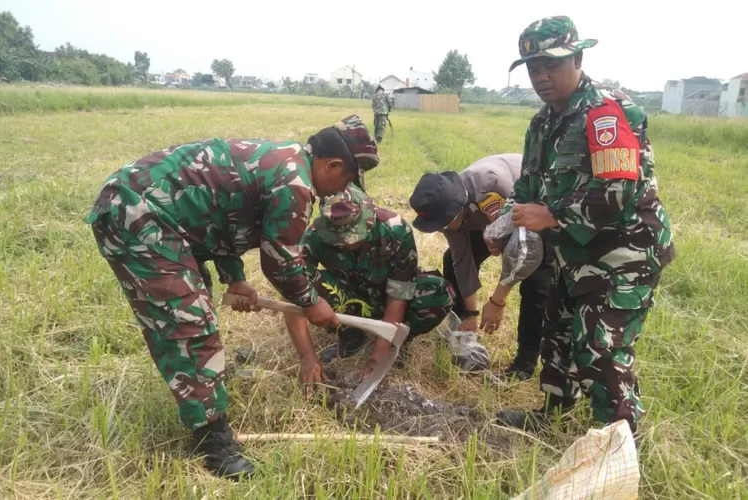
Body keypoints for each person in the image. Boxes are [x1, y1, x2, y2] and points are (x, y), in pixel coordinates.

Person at [85, 115, 379, 480]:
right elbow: (281, 264)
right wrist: (311, 302)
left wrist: (235, 278)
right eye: (346, 179)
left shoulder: (286, 160)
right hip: (137, 211)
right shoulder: (296, 183)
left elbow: (222, 213)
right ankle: (213, 442)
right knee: (188, 323)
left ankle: (203, 390)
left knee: (195, 304)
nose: (340, 189)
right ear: (333, 165)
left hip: (158, 212)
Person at [493, 16, 675, 435]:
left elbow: (617, 191)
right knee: (556, 334)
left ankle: (618, 446)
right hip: (574, 251)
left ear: (577, 58)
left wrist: (552, 215)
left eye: (551, 66)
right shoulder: (542, 123)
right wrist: (507, 219)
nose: (542, 77)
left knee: (601, 349)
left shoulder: (606, 112)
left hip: (624, 251)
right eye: (534, 69)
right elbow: (528, 184)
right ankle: (552, 416)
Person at [284, 184, 454, 386]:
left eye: (353, 235)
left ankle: (398, 340)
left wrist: (379, 354)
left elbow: (399, 294)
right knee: (306, 285)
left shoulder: (396, 229)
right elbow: (293, 297)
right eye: (339, 238)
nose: (347, 243)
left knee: (439, 292)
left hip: (389, 299)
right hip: (352, 301)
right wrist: (307, 357)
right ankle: (350, 336)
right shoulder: (313, 238)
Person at [408, 154, 552, 380]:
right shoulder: (447, 211)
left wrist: (497, 301)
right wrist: (472, 313)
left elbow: (522, 252)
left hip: (532, 211)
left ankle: (525, 362)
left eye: (443, 225)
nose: (440, 230)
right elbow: (462, 260)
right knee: (450, 261)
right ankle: (462, 331)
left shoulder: (492, 189)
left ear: (458, 209)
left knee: (535, 282)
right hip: (485, 219)